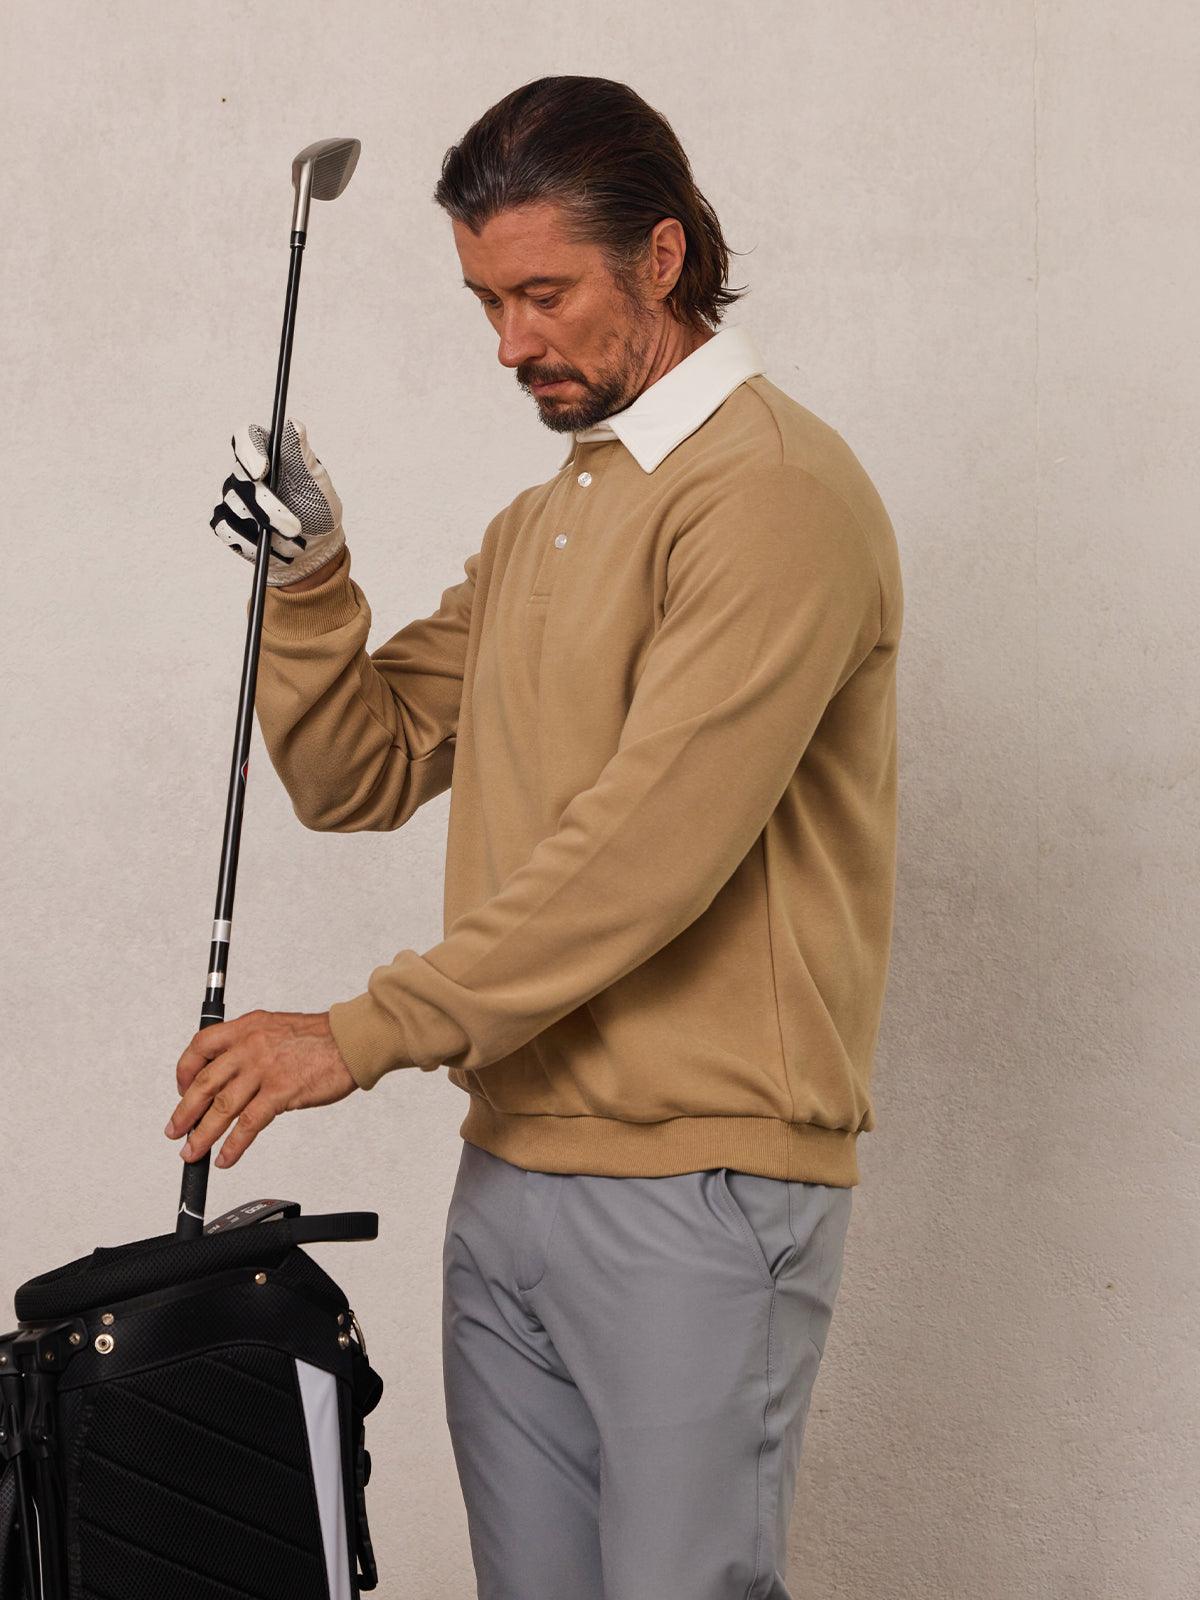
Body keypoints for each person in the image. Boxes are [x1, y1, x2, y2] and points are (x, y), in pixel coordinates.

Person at [165, 74, 903, 1600]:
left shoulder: (770, 497)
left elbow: (645, 855)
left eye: (544, 295)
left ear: (662, 255)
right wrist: (309, 579)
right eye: (487, 302)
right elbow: (358, 769)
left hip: (702, 1191)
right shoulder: (547, 522)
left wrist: (361, 1032)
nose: (510, 343)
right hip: (510, 1169)